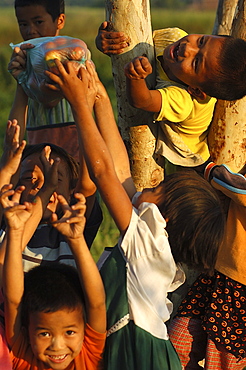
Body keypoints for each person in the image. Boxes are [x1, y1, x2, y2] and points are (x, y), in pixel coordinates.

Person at [45, 59, 226, 369]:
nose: (149, 186)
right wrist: (100, 99)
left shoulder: (146, 243)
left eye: (159, 188)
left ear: (162, 217)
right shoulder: (154, 243)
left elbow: (104, 175)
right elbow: (120, 172)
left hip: (141, 357)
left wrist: (79, 105)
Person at [96, 22, 246, 174]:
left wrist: (136, 78)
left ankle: (217, 176)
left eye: (196, 62)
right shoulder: (173, 36)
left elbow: (142, 101)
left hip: (190, 155)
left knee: (186, 186)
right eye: (201, 41)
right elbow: (133, 38)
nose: (188, 48)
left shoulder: (184, 101)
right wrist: (108, 42)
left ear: (194, 90)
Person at [0, 176, 106, 369]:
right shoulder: (23, 354)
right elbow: (13, 299)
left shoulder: (88, 353)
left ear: (85, 328)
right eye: (44, 333)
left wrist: (77, 241)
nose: (58, 346)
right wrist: (14, 232)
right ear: (26, 331)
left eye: (70, 332)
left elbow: (97, 302)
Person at [168, 165, 246, 370]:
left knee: (221, 363)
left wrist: (209, 168)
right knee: (177, 342)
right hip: (217, 277)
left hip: (240, 293)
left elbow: (235, 186)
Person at [0, 119, 102, 273]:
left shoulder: (73, 224)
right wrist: (7, 168)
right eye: (30, 178)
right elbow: (5, 182)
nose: (43, 185)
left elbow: (88, 185)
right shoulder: (8, 219)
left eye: (56, 178)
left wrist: (82, 109)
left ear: (70, 192)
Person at [7, 0, 81, 161]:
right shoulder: (30, 58)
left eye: (38, 22)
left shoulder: (70, 54)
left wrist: (24, 77)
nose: (30, 31)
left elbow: (49, 99)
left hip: (70, 151)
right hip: (38, 145)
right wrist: (21, 78)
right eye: (23, 24)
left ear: (60, 21)